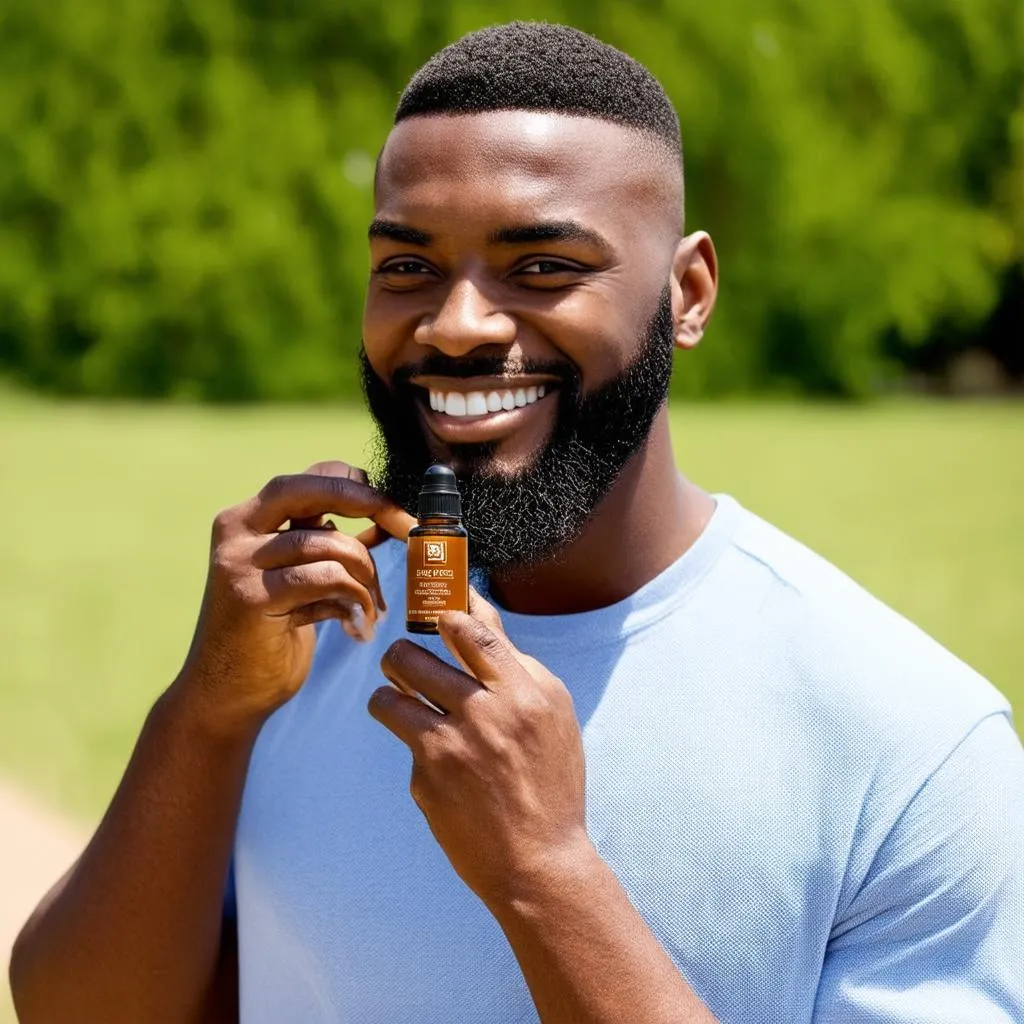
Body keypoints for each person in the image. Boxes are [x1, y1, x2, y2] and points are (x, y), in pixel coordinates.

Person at [9, 21, 1023, 1024]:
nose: (455, 324)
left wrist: (545, 873)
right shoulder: (306, 638)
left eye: (540, 267)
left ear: (687, 292)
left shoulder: (910, 737)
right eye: (406, 267)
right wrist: (205, 711)